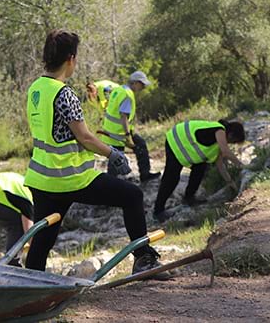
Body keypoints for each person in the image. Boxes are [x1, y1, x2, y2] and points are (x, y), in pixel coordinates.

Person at [24, 29, 168, 278]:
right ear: (71, 58)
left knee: (43, 241)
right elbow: (85, 137)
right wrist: (113, 154)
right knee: (132, 196)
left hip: (41, 179)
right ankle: (144, 260)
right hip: (71, 178)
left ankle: (28, 285)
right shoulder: (64, 93)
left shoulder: (35, 89)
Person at [153, 119, 246, 223]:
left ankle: (189, 198)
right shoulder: (220, 130)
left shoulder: (216, 147)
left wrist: (230, 182)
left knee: (201, 167)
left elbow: (221, 166)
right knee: (171, 178)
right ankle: (158, 211)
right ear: (231, 135)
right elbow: (226, 152)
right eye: (232, 141)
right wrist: (243, 166)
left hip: (183, 146)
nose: (230, 144)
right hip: (175, 141)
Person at [99, 71, 160, 182]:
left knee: (140, 145)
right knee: (116, 161)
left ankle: (144, 175)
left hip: (112, 130)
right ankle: (111, 186)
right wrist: (128, 136)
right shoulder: (127, 95)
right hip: (118, 134)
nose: (144, 87)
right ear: (135, 83)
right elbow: (123, 117)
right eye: (142, 84)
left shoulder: (118, 89)